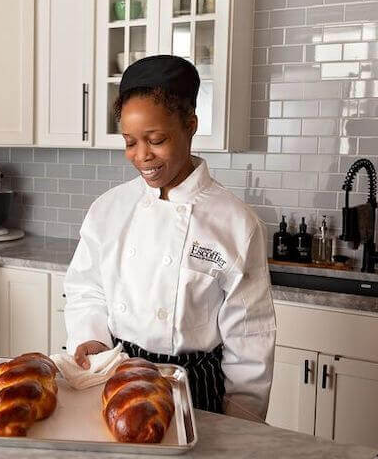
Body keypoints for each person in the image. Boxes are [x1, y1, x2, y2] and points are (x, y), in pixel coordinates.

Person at [63, 55, 276, 421]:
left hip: (194, 392)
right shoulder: (108, 209)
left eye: (156, 139)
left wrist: (243, 427)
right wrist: (93, 339)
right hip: (115, 378)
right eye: (130, 142)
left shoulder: (236, 223)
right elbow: (86, 288)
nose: (142, 156)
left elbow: (249, 338)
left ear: (190, 125)